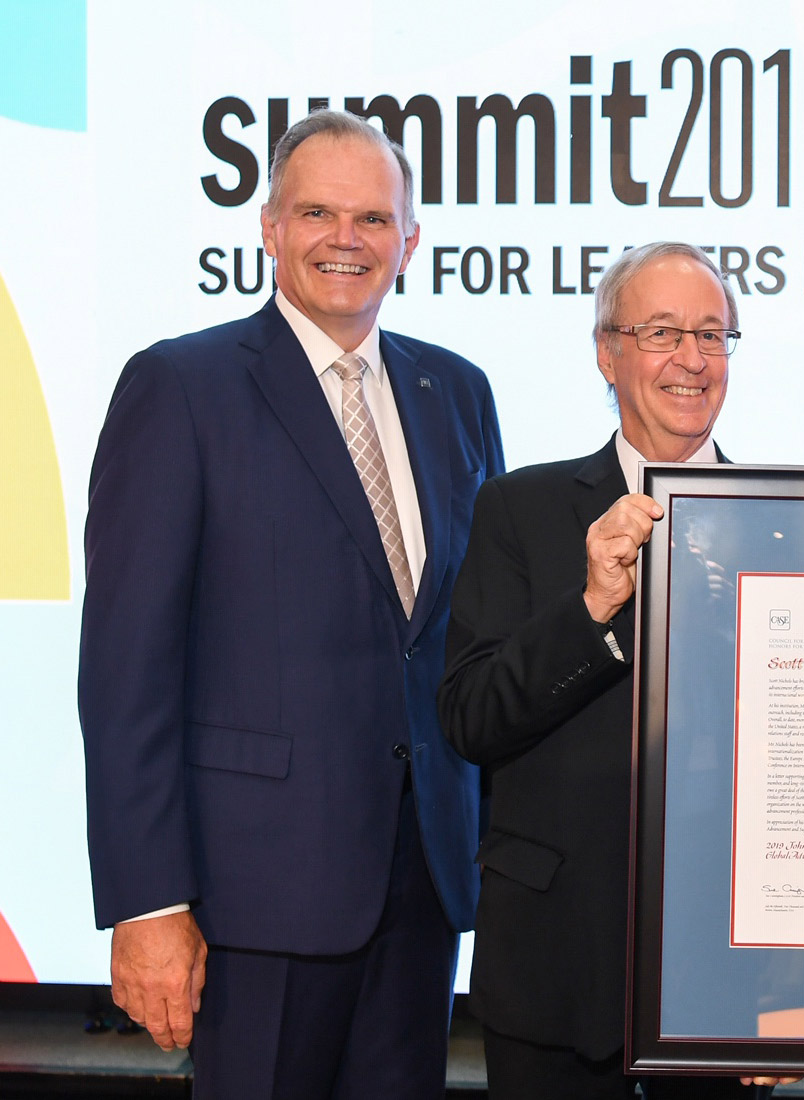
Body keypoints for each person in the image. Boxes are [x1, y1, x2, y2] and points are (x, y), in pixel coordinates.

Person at [78, 109, 505, 1098]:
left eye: (372, 217)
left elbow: (467, 637)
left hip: (421, 888)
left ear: (410, 241)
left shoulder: (458, 392)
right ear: (270, 228)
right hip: (251, 899)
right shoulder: (179, 387)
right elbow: (127, 670)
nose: (345, 238)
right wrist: (147, 900)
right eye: (317, 213)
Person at [440, 242, 780, 1099]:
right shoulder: (518, 508)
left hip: (723, 976)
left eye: (712, 334)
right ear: (606, 352)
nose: (691, 359)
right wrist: (591, 607)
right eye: (661, 332)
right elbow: (471, 718)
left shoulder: (785, 522)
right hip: (553, 964)